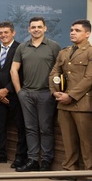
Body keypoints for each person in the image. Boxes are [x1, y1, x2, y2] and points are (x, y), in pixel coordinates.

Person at [48, 20, 92, 181]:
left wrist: (70, 95)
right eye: (71, 30)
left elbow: (90, 78)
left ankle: (91, 174)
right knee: (68, 140)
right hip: (63, 103)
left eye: (77, 30)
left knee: (87, 141)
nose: (72, 33)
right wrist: (56, 91)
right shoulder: (64, 52)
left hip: (82, 104)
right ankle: (69, 169)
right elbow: (54, 73)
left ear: (87, 33)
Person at [10, 17, 61, 172]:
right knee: (30, 128)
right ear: (29, 29)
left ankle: (46, 160)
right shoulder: (22, 47)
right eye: (33, 27)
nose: (36, 29)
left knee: (45, 128)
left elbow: (60, 71)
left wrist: (55, 90)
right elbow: (13, 70)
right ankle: (33, 160)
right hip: (26, 94)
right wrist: (19, 91)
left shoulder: (54, 46)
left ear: (45, 28)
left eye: (39, 27)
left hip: (46, 94)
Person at [0, 21, 27, 168]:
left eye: (6, 32)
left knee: (21, 127)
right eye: (0, 33)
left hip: (14, 95)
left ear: (13, 33)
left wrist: (7, 90)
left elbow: (21, 73)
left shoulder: (21, 48)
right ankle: (0, 155)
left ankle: (20, 157)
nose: (3, 35)